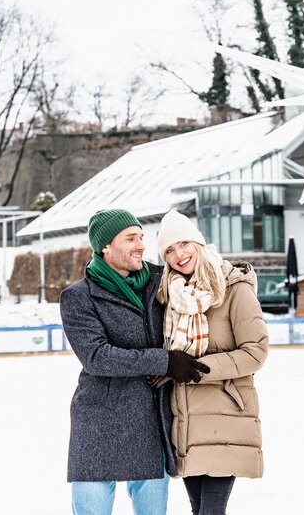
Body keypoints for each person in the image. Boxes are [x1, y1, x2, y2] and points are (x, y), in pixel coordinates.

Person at [60, 208, 211, 515]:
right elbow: (97, 357)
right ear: (105, 246)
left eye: (142, 237)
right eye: (131, 238)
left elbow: (201, 267)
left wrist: (240, 275)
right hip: (98, 419)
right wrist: (164, 361)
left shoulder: (161, 280)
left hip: (150, 417)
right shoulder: (79, 297)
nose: (141, 244)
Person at [155, 209, 268, 515]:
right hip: (187, 420)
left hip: (225, 415)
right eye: (169, 250)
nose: (179, 255)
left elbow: (256, 351)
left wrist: (197, 370)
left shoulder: (234, 289)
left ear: (198, 244)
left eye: (184, 244)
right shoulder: (170, 295)